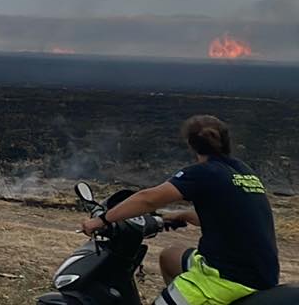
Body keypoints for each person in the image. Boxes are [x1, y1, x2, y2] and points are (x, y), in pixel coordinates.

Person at [81, 115, 279, 304]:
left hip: (228, 277)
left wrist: (101, 220)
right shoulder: (243, 171)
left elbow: (148, 199)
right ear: (227, 141)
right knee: (170, 256)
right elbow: (232, 216)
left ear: (191, 145)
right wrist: (183, 215)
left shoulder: (203, 173)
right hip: (260, 270)